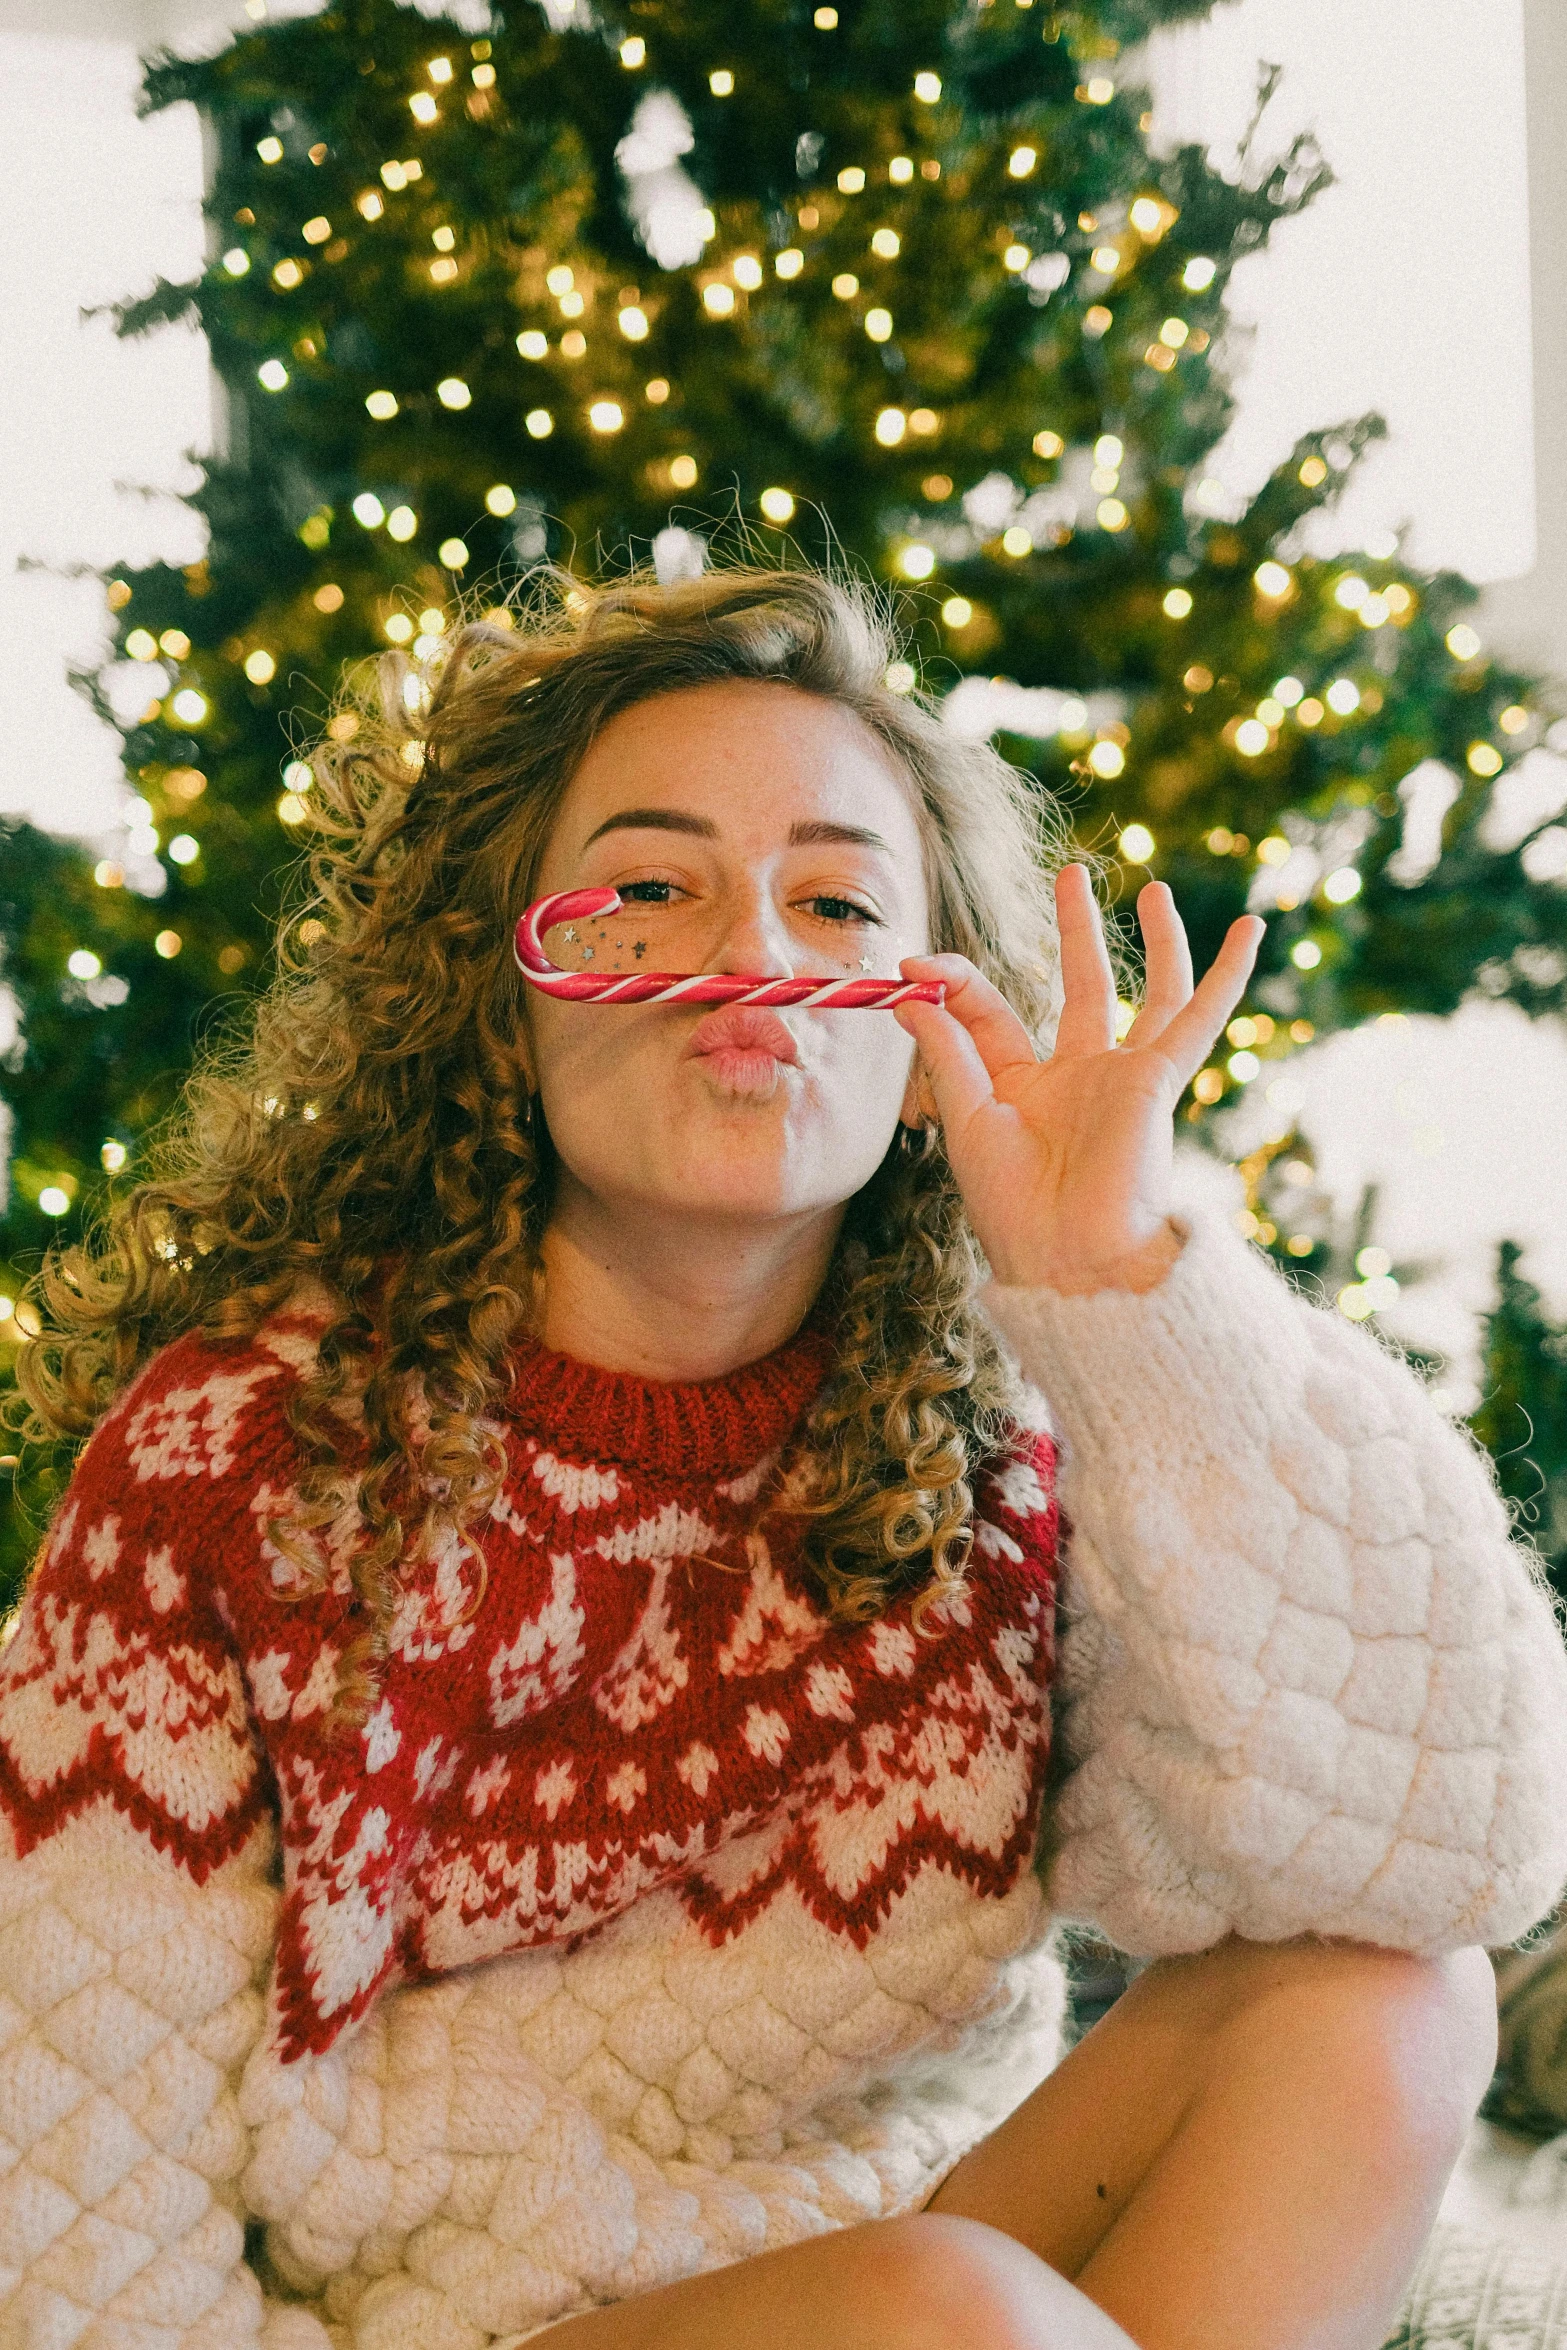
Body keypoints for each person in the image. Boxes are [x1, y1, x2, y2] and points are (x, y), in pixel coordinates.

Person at [2, 567, 1564, 2350]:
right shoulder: (239, 1463)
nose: (747, 953)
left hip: (932, 2261)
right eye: (650, 888)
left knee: (1378, 1999)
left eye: (833, 900)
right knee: (951, 2313)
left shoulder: (1025, 1433)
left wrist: (1121, 1286)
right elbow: (76, 2174)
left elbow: (1445, 1856)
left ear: (926, 1044)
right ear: (495, 1001)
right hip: (453, 2327)